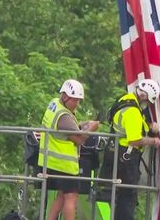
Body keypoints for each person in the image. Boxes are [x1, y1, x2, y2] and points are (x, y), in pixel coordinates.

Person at [37, 79, 99, 220]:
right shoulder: (64, 116)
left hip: (51, 161)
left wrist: (83, 124)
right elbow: (79, 139)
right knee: (71, 197)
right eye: (75, 100)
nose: (77, 104)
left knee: (61, 195)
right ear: (65, 96)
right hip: (63, 164)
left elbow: (70, 127)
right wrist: (92, 128)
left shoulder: (55, 104)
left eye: (79, 101)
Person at [112, 79, 160, 220]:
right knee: (128, 197)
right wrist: (154, 140)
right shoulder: (133, 111)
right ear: (144, 96)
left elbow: (131, 125)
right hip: (127, 155)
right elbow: (134, 139)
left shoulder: (125, 99)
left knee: (124, 195)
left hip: (119, 153)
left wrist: (148, 127)